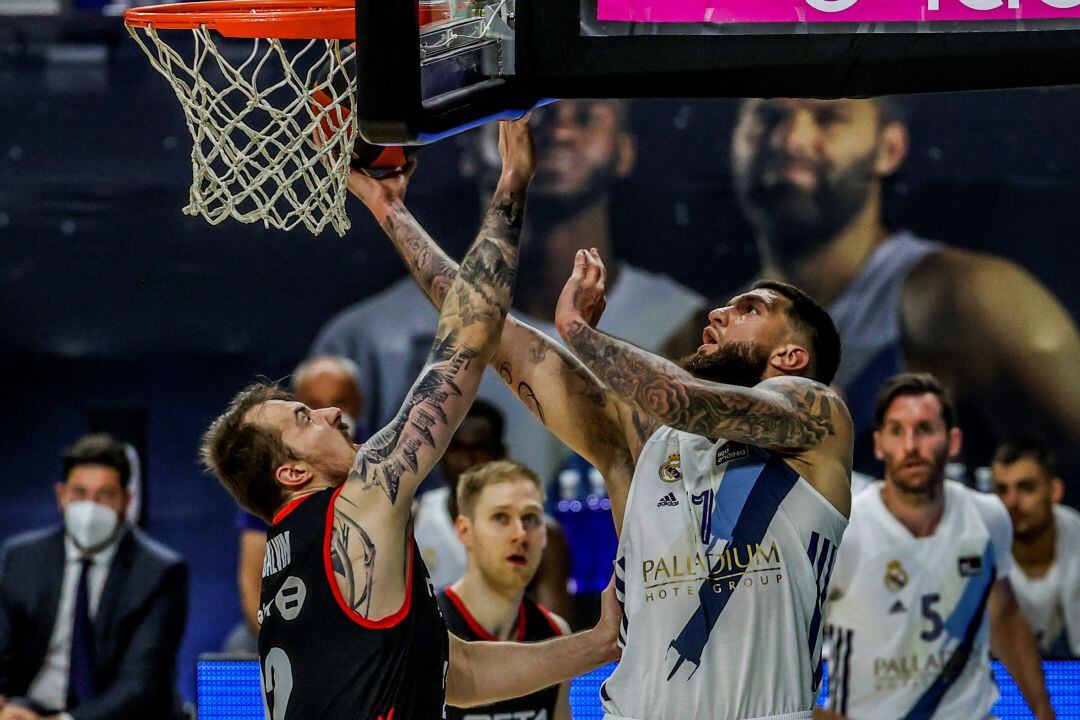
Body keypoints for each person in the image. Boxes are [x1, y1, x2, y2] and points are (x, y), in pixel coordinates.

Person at [351, 156, 855, 719]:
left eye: (749, 309)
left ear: (791, 356)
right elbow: (486, 329)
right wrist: (395, 207)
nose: (718, 312)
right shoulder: (642, 442)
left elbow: (688, 398)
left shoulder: (817, 418)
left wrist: (579, 334)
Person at [200, 120, 619, 720]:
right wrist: (512, 186)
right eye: (303, 418)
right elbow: (466, 345)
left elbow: (460, 674)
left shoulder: (290, 557)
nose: (327, 413)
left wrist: (598, 644)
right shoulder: (359, 502)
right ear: (292, 472)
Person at [668, 97, 1080, 484]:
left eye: (829, 117)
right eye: (770, 116)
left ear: (890, 148)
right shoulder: (697, 335)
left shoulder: (970, 299)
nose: (790, 138)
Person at [310, 99, 705, 482]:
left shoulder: (686, 322)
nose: (558, 130)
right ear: (467, 149)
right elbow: (480, 327)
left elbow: (479, 327)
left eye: (584, 116)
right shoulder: (366, 335)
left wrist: (513, 176)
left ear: (625, 149)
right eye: (539, 117)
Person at [818, 373, 1052, 720]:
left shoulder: (987, 517)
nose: (911, 445)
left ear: (953, 441)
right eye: (897, 431)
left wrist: (1044, 711)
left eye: (925, 429)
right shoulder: (842, 531)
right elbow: (784, 649)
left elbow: (1004, 612)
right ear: (879, 444)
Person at [0, 434, 188, 720]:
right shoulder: (21, 558)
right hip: (32, 710)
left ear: (126, 500)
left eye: (105, 495)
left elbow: (141, 684)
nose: (90, 507)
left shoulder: (159, 572)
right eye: (79, 493)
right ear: (61, 495)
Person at [226, 355, 368, 655]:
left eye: (340, 400)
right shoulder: (378, 481)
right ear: (293, 472)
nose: (331, 412)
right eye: (308, 413)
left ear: (359, 402)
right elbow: (251, 582)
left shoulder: (367, 457)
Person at [414, 400, 573, 623]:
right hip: (435, 655)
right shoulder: (414, 520)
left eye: (479, 449)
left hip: (514, 654)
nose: (467, 462)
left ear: (501, 454)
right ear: (441, 453)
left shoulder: (541, 533)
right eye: (457, 448)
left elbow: (555, 640)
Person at [439, 460, 573, 720]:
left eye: (531, 518)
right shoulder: (427, 627)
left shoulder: (555, 632)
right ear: (465, 531)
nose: (520, 534)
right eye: (501, 517)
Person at [992, 437, 1080, 659]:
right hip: (1001, 683)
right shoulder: (977, 551)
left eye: (1026, 488)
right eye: (1002, 490)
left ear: (1055, 491)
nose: (1011, 502)